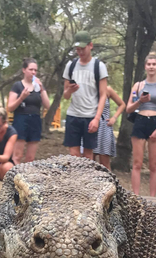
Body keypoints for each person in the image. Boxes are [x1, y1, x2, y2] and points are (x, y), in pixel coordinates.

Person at [125, 52, 156, 196]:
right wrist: (140, 101)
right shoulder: (138, 86)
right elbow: (128, 108)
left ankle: (153, 199)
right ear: (145, 66)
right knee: (137, 163)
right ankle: (136, 196)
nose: (151, 67)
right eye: (149, 64)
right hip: (140, 120)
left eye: (154, 64)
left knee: (153, 165)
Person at [62, 32, 108, 161]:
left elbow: (103, 94)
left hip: (90, 116)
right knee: (73, 155)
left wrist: (97, 119)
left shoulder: (99, 66)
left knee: (89, 156)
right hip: (73, 115)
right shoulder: (70, 66)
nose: (80, 52)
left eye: (82, 48)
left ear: (90, 46)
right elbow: (65, 95)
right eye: (77, 49)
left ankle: (87, 181)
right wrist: (70, 90)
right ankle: (75, 180)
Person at [8, 59, 51, 164]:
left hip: (35, 120)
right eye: (31, 69)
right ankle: (14, 178)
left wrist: (41, 89)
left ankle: (26, 179)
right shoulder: (17, 86)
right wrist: (21, 98)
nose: (33, 72)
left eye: (35, 70)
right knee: (17, 156)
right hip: (21, 120)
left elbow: (47, 105)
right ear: (24, 70)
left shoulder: (38, 86)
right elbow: (10, 107)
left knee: (30, 158)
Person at [90, 86, 127, 170]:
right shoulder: (87, 88)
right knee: (89, 162)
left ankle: (108, 183)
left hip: (104, 127)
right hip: (90, 125)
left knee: (104, 164)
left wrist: (114, 117)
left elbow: (122, 104)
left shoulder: (108, 89)